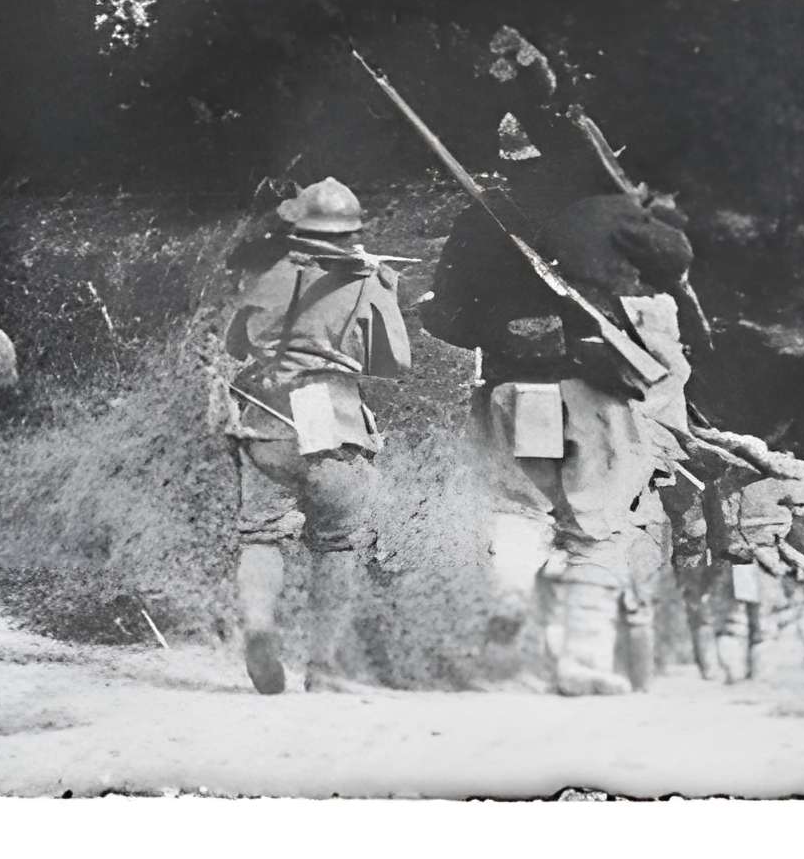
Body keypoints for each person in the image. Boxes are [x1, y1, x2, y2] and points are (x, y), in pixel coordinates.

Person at [421, 170, 697, 696]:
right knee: (601, 526)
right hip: (592, 392)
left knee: (517, 514)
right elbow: (675, 257)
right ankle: (582, 659)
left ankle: (505, 624)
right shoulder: (608, 208)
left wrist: (502, 327)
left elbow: (445, 317)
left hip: (511, 389)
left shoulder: (481, 214)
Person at [214, 178, 413, 694]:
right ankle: (323, 667)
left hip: (265, 412)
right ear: (353, 232)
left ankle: (259, 627)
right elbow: (396, 364)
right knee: (336, 544)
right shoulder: (366, 282)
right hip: (328, 410)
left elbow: (238, 343)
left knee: (260, 534)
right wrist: (385, 292)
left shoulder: (267, 275)